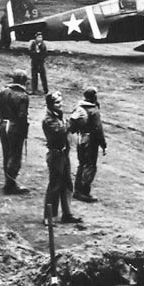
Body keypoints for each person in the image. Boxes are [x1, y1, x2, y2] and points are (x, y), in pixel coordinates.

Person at [42, 90, 82, 224]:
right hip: (55, 155)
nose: (60, 104)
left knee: (67, 184)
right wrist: (72, 119)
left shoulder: (57, 115)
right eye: (57, 102)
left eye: (61, 101)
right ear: (51, 104)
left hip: (63, 154)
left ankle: (67, 214)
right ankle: (49, 216)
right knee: (55, 185)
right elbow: (60, 131)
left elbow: (67, 128)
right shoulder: (48, 119)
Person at [0, 69, 31, 194]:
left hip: (4, 126)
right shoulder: (23, 96)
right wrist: (24, 131)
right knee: (15, 156)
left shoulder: (3, 91)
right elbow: (22, 116)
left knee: (6, 154)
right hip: (15, 128)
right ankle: (11, 185)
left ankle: (8, 182)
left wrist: (0, 122)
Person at [70, 87, 107, 202]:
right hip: (91, 141)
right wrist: (103, 143)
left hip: (80, 138)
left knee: (81, 164)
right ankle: (84, 191)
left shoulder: (78, 107)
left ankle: (77, 190)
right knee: (90, 166)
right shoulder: (94, 111)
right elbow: (98, 128)